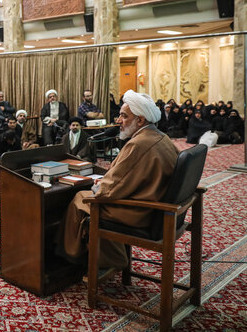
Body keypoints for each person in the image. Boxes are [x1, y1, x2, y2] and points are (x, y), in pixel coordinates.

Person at [58, 90, 179, 270]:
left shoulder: (138, 144)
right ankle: (102, 255)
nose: (118, 121)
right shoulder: (162, 137)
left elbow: (111, 188)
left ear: (140, 120)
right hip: (160, 210)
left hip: (143, 213)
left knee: (81, 200)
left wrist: (98, 187)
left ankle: (73, 258)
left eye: (123, 116)